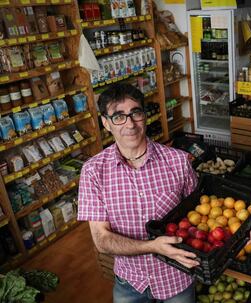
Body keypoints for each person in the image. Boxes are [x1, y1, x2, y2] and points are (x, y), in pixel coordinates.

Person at [77, 83, 200, 303]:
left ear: (145, 116)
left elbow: (201, 215)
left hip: (177, 277)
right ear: (106, 123)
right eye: (118, 117)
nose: (130, 124)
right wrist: (152, 246)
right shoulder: (93, 171)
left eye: (136, 113)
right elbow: (102, 240)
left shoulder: (178, 161)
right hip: (130, 281)